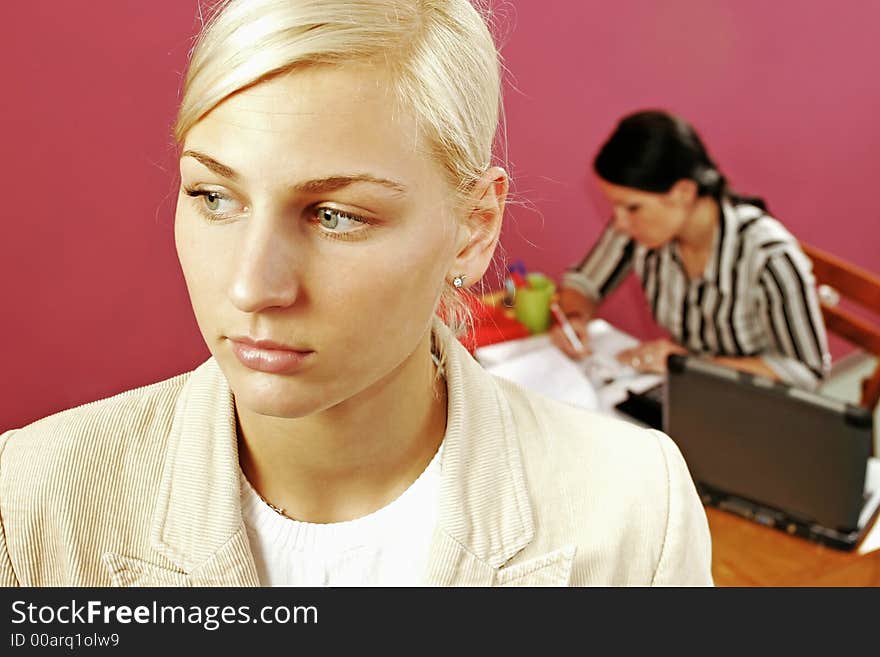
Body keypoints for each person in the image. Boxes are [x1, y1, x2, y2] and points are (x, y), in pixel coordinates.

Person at [0, 1, 711, 587]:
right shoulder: (28, 505)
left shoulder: (636, 512)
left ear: (473, 228)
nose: (253, 285)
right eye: (214, 196)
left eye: (335, 215)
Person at [551, 110, 830, 390]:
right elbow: (584, 284)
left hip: (756, 406)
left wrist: (688, 364)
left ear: (683, 192)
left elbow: (808, 372)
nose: (620, 223)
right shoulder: (638, 230)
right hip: (691, 392)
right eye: (615, 207)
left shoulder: (768, 256)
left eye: (632, 207)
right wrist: (575, 318)